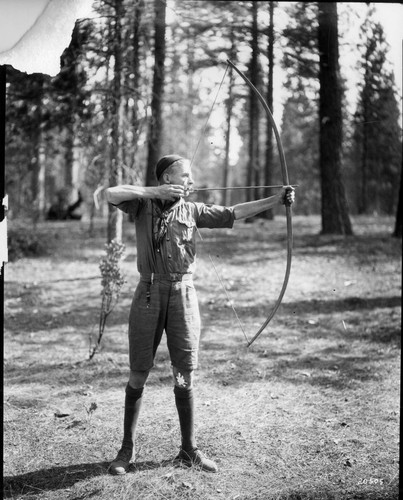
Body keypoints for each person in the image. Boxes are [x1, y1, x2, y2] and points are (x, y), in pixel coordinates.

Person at [105, 154, 295, 475]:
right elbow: (111, 194)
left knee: (185, 372)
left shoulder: (193, 210)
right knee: (139, 371)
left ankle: (188, 450)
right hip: (149, 294)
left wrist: (276, 200)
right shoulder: (141, 205)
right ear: (167, 179)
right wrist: (152, 193)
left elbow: (234, 213)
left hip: (183, 294)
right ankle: (126, 451)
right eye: (185, 176)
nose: (191, 182)